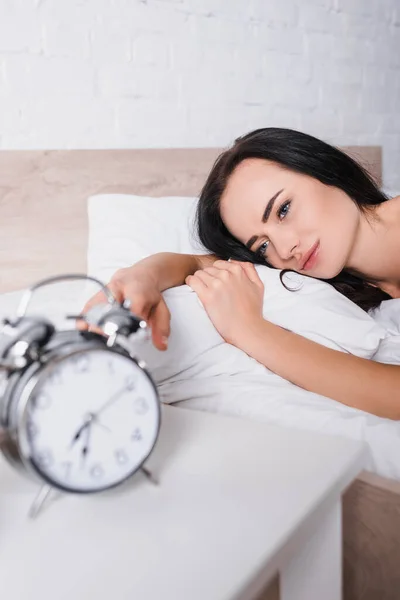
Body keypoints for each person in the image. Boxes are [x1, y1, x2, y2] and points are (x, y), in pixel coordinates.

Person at [81, 128, 400, 419]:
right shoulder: (352, 281)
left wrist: (250, 331)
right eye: (262, 246)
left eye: (283, 210)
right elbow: (198, 263)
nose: (286, 248)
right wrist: (141, 277)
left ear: (323, 168)